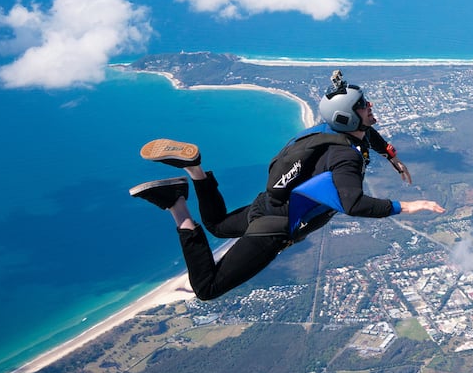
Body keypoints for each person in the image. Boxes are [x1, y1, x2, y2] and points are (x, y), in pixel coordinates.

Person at [128, 72, 445, 301]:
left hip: (266, 205)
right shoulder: (344, 159)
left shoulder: (328, 132)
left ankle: (195, 169)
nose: (370, 106)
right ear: (349, 117)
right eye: (363, 104)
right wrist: (406, 206)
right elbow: (353, 204)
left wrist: (390, 155)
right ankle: (176, 205)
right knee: (207, 289)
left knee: (216, 225)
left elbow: (367, 135)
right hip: (274, 230)